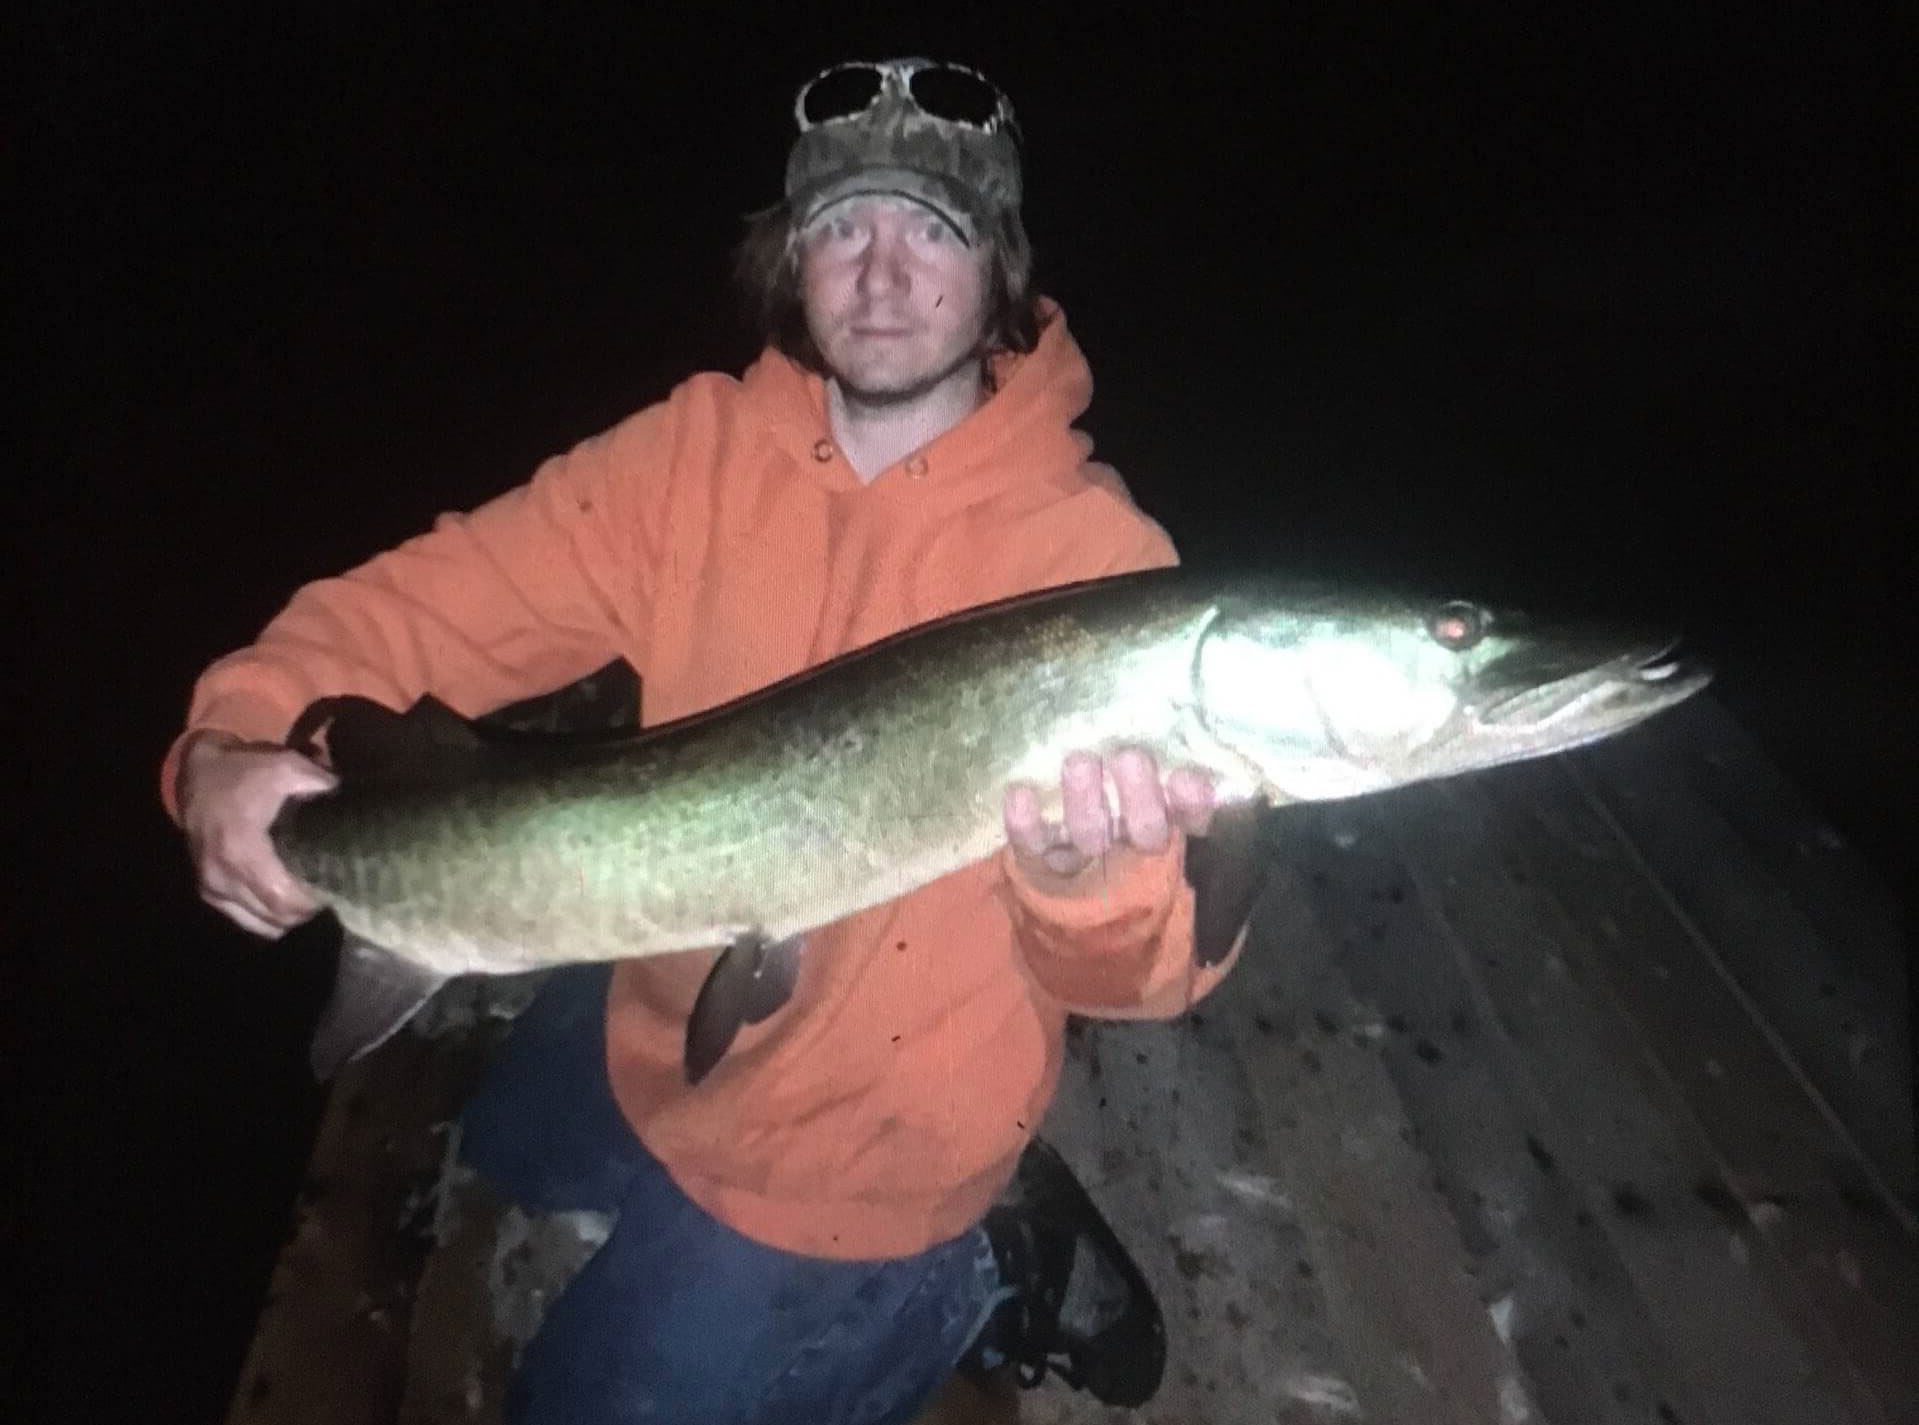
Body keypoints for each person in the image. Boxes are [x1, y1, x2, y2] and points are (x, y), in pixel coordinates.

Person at [164, 58, 1255, 1425]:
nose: (883, 270)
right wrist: (228, 739)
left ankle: (980, 1256)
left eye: (934, 227)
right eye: (844, 226)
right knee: (512, 1142)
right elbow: (429, 603)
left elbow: (1159, 967)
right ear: (790, 262)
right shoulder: (692, 456)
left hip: (882, 1138)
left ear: (1000, 275)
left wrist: (1093, 876)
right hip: (695, 1007)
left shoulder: (1098, 564)